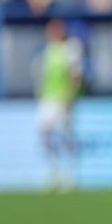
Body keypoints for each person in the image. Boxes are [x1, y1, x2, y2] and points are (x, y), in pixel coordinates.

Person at [36, 18, 83, 191]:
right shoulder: (48, 50)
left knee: (66, 136)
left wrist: (72, 97)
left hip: (64, 99)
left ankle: (69, 173)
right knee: (45, 134)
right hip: (49, 98)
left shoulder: (70, 49)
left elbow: (75, 75)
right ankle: (53, 171)